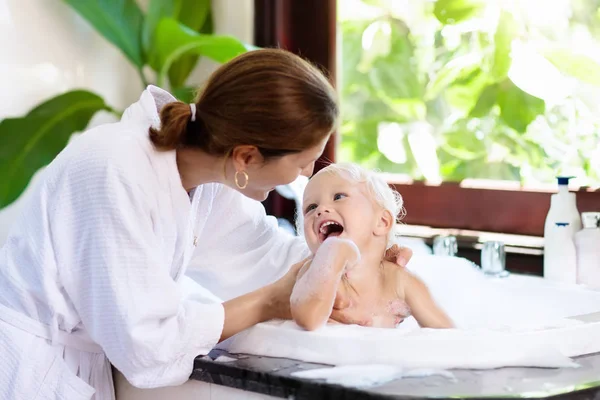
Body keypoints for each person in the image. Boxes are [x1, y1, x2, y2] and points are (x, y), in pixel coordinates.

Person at [0, 49, 355, 400]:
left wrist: (363, 258)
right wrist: (267, 303)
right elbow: (145, 344)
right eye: (304, 161)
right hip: (24, 370)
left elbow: (265, 255)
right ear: (246, 156)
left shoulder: (208, 180)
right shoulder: (115, 171)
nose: (308, 174)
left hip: (70, 367)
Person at [291, 163, 454, 330]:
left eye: (339, 197)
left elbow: (449, 335)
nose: (321, 209)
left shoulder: (399, 282)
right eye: (311, 207)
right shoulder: (315, 273)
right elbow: (308, 320)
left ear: (382, 222)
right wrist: (330, 258)